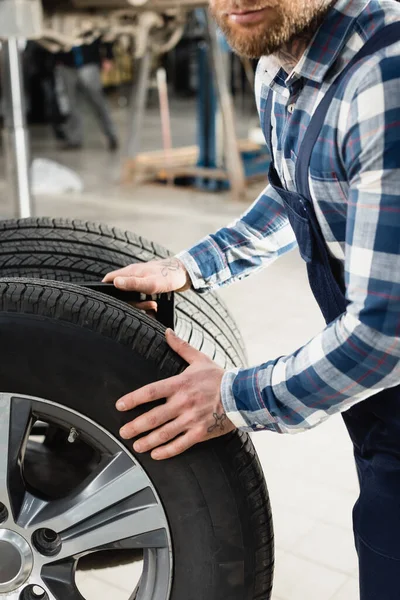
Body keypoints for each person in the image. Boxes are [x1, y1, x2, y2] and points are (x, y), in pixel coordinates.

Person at [104, 1, 400, 598]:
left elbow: (384, 336)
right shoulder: (276, 64)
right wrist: (193, 266)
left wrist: (230, 399)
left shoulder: (383, 80)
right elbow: (300, 190)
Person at [56, 36, 119, 150]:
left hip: (88, 64)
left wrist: (108, 56)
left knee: (99, 103)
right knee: (71, 105)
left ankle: (111, 136)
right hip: (66, 65)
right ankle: (75, 139)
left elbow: (103, 35)